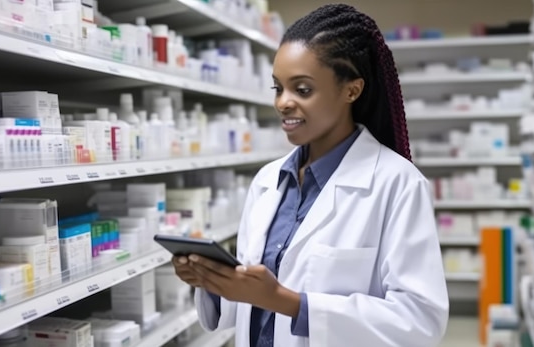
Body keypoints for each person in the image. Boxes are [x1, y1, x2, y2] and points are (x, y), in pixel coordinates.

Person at [171, 3, 449, 347]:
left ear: (352, 90)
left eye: (302, 89)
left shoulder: (397, 183)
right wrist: (212, 283)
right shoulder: (268, 181)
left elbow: (420, 321)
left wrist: (287, 302)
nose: (283, 103)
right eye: (278, 88)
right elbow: (246, 306)